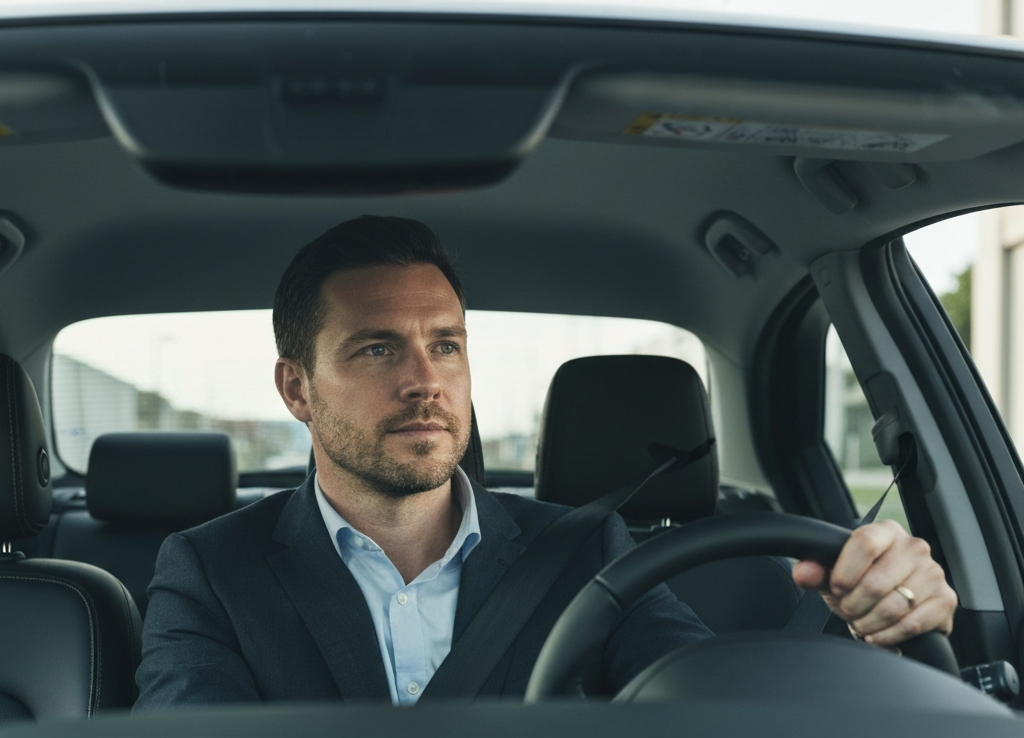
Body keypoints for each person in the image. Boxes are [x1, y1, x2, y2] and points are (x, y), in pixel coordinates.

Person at [133, 216, 958, 709]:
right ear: (296, 388)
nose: (425, 380)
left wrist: (867, 621)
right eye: (379, 348)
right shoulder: (212, 569)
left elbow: (712, 708)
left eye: (445, 345)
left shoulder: (583, 550)